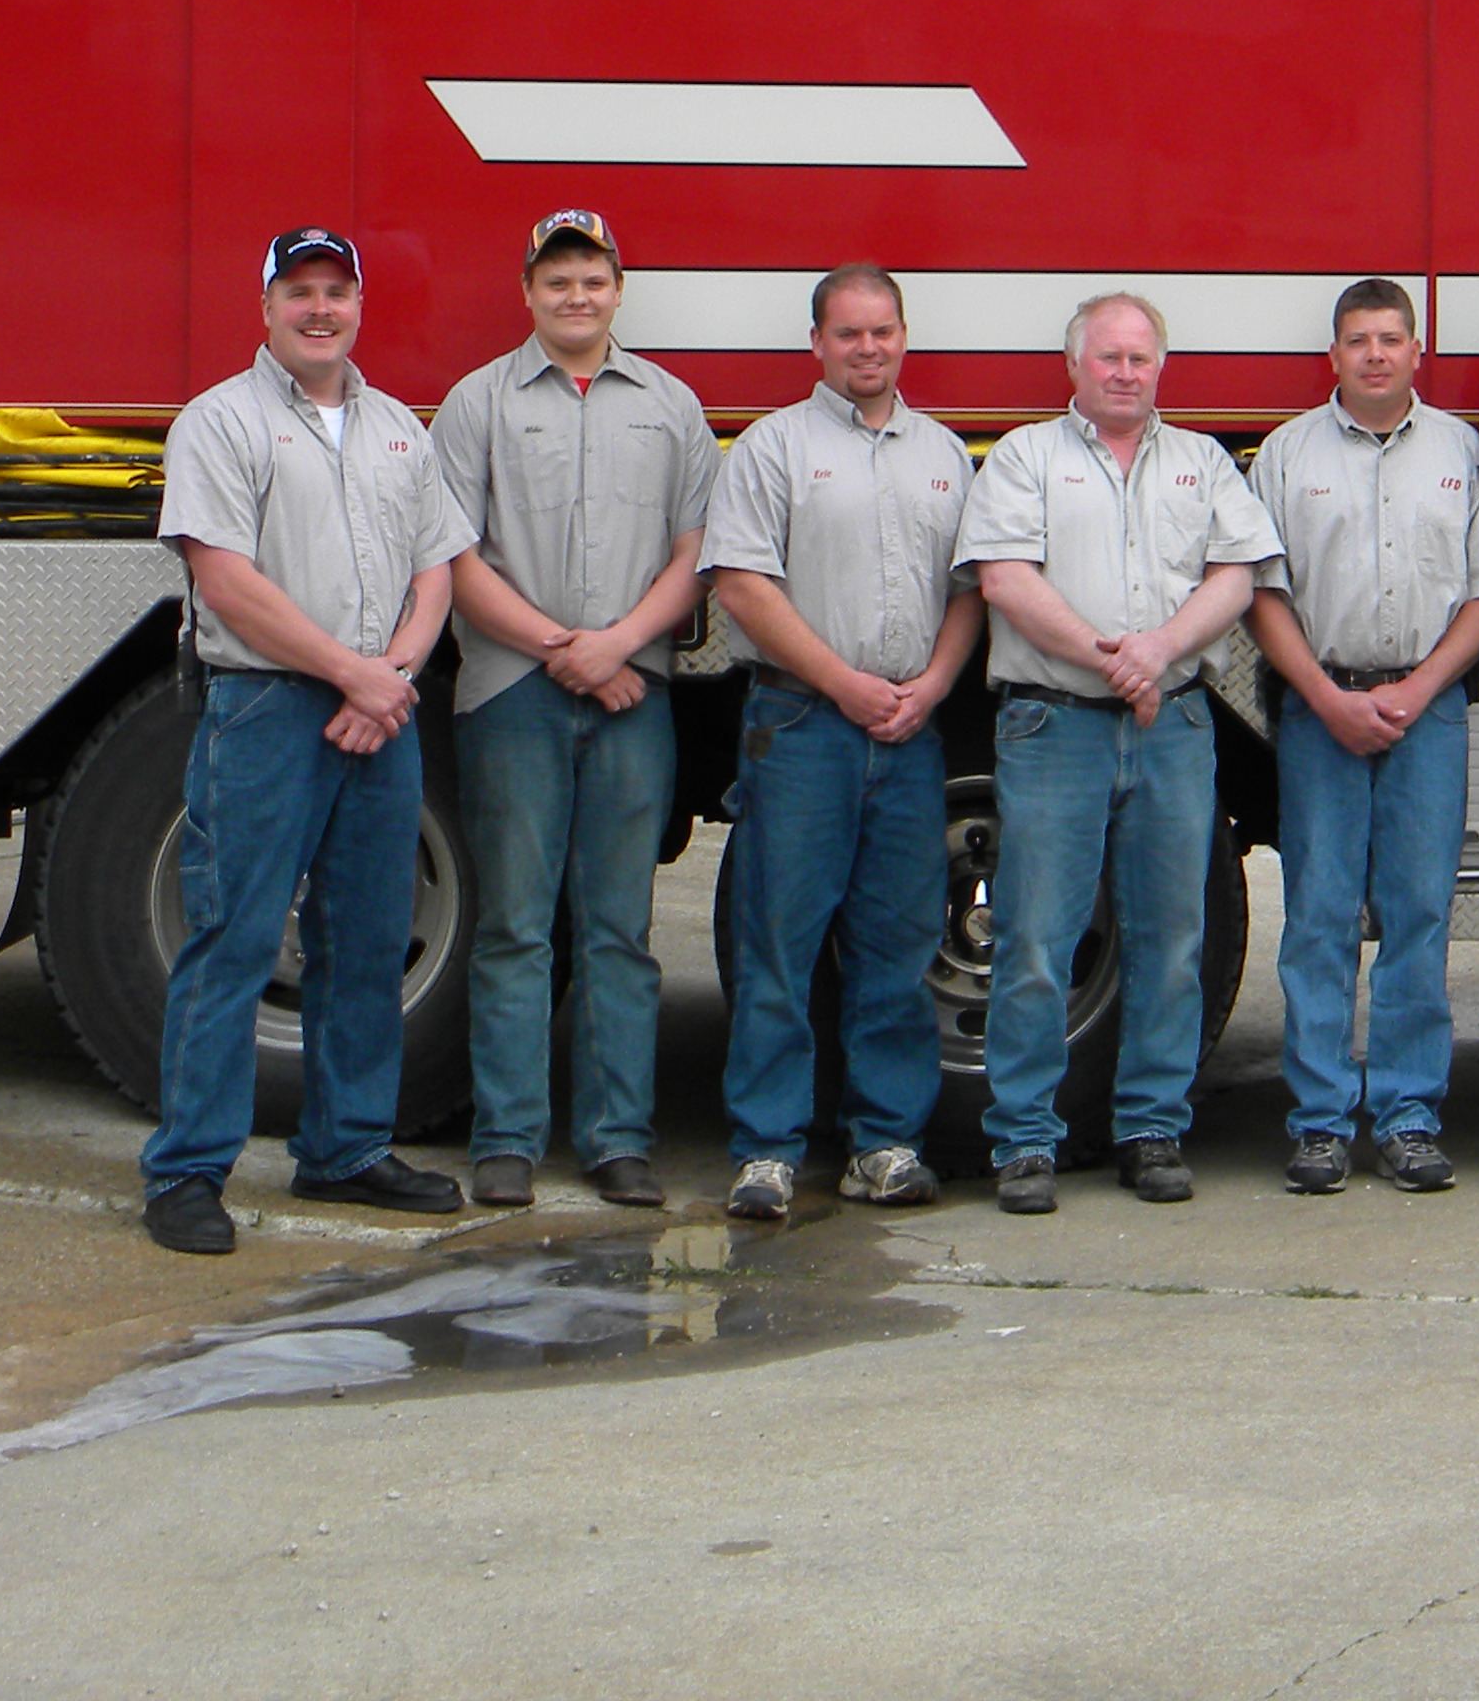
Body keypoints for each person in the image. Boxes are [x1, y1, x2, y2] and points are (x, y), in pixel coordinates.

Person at [140, 227, 474, 1256]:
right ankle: (187, 1171)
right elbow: (225, 579)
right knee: (234, 938)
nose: (319, 308)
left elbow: (436, 570)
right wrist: (352, 673)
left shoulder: (398, 429)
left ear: (359, 306)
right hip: (268, 710)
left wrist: (393, 675)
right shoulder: (219, 422)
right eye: (300, 292)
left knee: (367, 940)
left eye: (336, 291)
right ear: (267, 308)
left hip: (380, 713)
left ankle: (345, 1148)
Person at [962, 292, 1282, 1212]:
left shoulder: (1202, 463)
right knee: (1035, 938)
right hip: (1054, 725)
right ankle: (1024, 1140)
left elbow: (1238, 574)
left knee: (1173, 941)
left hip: (1171, 726)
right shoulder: (1024, 457)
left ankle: (1151, 1129)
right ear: (1074, 367)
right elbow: (1005, 580)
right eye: (1108, 357)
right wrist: (1112, 659)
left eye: (1140, 358)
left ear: (1160, 367)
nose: (1125, 372)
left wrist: (1159, 652)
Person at [436, 210, 718, 1211]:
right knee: (515, 926)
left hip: (634, 697)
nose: (575, 297)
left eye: (592, 280)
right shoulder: (476, 404)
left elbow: (697, 553)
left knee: (618, 930)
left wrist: (617, 643)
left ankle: (617, 1140)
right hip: (512, 695)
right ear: (527, 292)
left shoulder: (671, 406)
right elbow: (453, 556)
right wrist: (567, 650)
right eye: (556, 281)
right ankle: (506, 1141)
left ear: (617, 290)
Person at [702, 266, 982, 1223]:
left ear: (905, 337)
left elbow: (970, 589)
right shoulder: (772, 447)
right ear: (817, 343)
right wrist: (842, 683)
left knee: (896, 948)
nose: (868, 348)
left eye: (883, 331)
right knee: (778, 945)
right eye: (849, 333)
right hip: (802, 726)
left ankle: (884, 1144)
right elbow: (742, 585)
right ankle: (766, 1151)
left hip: (908, 731)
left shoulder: (944, 454)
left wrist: (931, 686)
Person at [1246, 280, 1479, 1196]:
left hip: (1428, 711)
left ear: (1416, 351)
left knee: (1418, 917)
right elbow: (1262, 595)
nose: (1374, 355)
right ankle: (1321, 1122)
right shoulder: (1286, 455)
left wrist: (1419, 688)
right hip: (1321, 710)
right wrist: (1326, 697)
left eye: (1390, 339)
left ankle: (1408, 1117)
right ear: (1333, 355)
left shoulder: (1462, 453)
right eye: (1357, 340)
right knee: (1319, 919)